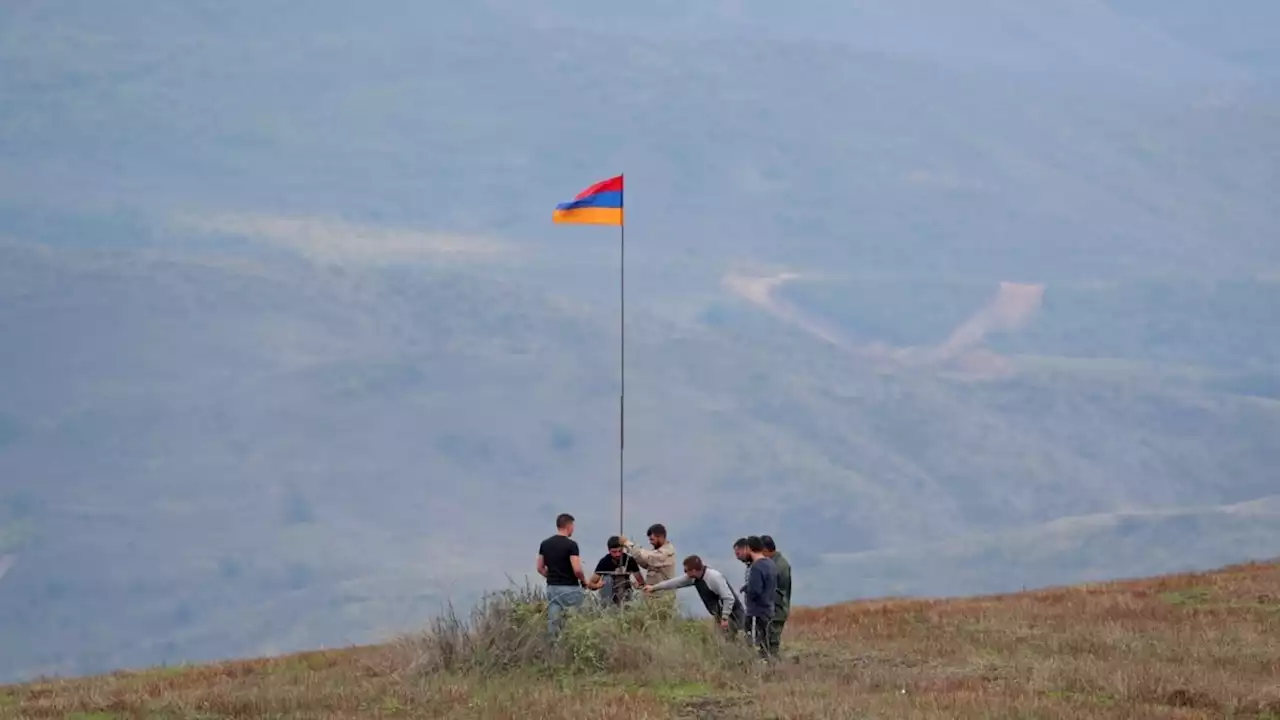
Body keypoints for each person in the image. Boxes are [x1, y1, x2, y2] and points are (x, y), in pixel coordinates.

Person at [643, 555, 745, 635]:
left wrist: (725, 618)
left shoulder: (714, 577)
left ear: (694, 570)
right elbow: (675, 582)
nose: (685, 573)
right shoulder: (694, 578)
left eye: (686, 570)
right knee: (721, 644)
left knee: (738, 641)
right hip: (719, 616)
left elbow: (728, 598)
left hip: (733, 614)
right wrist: (653, 588)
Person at [536, 512, 587, 636]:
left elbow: (540, 567)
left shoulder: (545, 544)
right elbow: (577, 570)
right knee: (574, 623)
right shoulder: (571, 545)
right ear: (569, 526)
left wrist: (551, 576)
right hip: (570, 588)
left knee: (553, 623)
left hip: (552, 588)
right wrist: (584, 580)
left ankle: (553, 649)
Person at [742, 535, 778, 658]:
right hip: (768, 609)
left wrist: (748, 590)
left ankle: (756, 669)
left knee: (753, 644)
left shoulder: (756, 567)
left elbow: (755, 590)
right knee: (764, 642)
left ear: (748, 548)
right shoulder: (771, 564)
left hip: (756, 612)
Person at [587, 536, 645, 606]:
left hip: (625, 595)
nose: (617, 554)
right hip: (608, 596)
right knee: (608, 579)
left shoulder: (629, 560)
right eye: (614, 552)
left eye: (620, 551)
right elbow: (590, 584)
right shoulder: (604, 562)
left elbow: (641, 582)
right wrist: (598, 586)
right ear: (609, 551)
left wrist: (637, 585)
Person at [761, 535, 791, 656]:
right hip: (775, 607)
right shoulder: (775, 563)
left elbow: (778, 590)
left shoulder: (778, 566)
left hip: (777, 608)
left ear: (766, 550)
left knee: (772, 642)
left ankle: (774, 668)